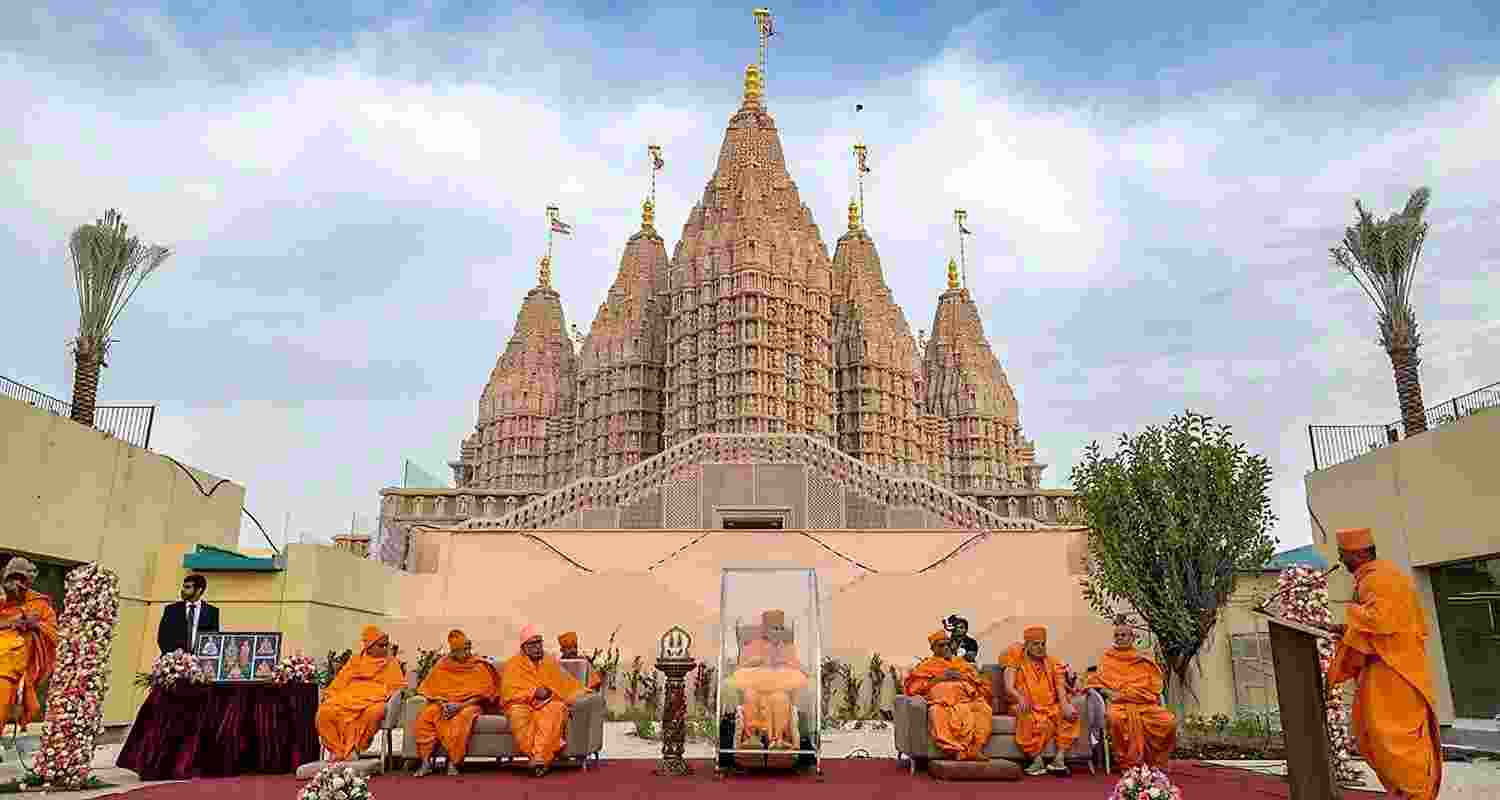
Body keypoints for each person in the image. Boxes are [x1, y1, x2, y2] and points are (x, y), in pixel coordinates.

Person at [1325, 528, 1443, 800]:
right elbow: (1380, 623)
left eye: (1345, 555)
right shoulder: (1374, 578)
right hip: (1385, 667)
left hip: (1396, 671)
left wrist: (1352, 616)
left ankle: (1415, 794)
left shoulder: (1380, 579)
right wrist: (1346, 628)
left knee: (1392, 738)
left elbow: (1380, 622)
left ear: (1361, 553)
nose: (1342, 561)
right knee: (1375, 735)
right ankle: (1403, 792)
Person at [1087, 615, 1177, 770]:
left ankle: (1156, 761)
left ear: (1132, 637)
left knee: (1169, 722)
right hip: (1120, 705)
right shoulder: (1108, 658)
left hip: (1145, 704)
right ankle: (1127, 762)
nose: (1120, 638)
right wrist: (1108, 692)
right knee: (1115, 720)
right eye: (1117, 635)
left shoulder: (1143, 659)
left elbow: (1154, 686)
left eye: (1123, 635)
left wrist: (1133, 692)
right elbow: (1096, 681)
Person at [501, 625, 591, 776]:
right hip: (523, 705)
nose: (537, 647)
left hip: (548, 703)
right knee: (517, 714)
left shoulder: (549, 662)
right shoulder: (513, 664)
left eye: (539, 643)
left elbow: (563, 685)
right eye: (533, 644)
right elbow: (508, 692)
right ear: (524, 647)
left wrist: (553, 693)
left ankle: (538, 758)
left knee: (557, 709)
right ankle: (541, 758)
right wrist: (534, 692)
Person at [413, 630, 500, 777]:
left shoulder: (478, 665)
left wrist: (460, 706)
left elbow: (483, 695)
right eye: (463, 650)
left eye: (468, 648)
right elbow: (432, 689)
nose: (467, 653)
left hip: (469, 705)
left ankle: (454, 762)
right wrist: (443, 704)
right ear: (454, 652)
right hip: (445, 703)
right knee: (425, 717)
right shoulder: (443, 665)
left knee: (461, 719)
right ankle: (425, 762)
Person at [316, 625, 406, 762]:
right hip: (348, 697)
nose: (385, 649)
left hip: (375, 699)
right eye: (381, 646)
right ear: (369, 646)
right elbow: (340, 681)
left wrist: (377, 694)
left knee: (375, 712)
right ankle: (338, 750)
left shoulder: (391, 663)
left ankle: (354, 748)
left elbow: (396, 687)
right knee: (324, 712)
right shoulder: (355, 660)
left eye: (386, 645)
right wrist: (331, 694)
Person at [902, 630, 993, 762]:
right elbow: (914, 688)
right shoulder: (927, 666)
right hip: (942, 703)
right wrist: (940, 678)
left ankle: (974, 749)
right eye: (940, 645)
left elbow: (980, 682)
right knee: (936, 713)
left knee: (984, 710)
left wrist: (962, 677)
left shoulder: (961, 663)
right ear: (933, 649)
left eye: (947, 644)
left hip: (966, 700)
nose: (945, 648)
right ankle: (957, 750)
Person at [1003, 626, 1081, 776]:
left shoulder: (1051, 661)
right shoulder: (1015, 660)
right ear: (1026, 645)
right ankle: (1036, 759)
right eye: (1035, 644)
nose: (1040, 648)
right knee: (1025, 716)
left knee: (1070, 716)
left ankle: (1059, 760)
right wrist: (1020, 698)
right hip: (1025, 705)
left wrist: (1065, 706)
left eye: (1043, 644)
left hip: (1049, 706)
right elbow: (1008, 687)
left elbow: (1060, 686)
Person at [727, 610, 809, 751]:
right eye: (771, 627)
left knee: (781, 699)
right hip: (755, 684)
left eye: (778, 628)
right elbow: (740, 667)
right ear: (764, 628)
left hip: (779, 685)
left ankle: (778, 739)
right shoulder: (752, 645)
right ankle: (752, 736)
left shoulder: (788, 647)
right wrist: (758, 661)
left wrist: (781, 661)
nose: (774, 631)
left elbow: (798, 668)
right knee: (750, 696)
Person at [0, 558, 57, 735]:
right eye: (12, 578)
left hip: (12, 669)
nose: (16, 583)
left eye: (20, 578)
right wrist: (11, 622)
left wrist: (35, 626)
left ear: (27, 581)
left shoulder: (39, 604)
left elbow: (54, 633)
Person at [157, 574, 220, 656]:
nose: (183, 590)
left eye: (187, 587)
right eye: (183, 587)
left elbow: (213, 637)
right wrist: (173, 653)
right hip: (174, 661)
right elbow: (162, 637)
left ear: (199, 590)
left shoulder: (212, 612)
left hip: (199, 663)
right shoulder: (171, 610)